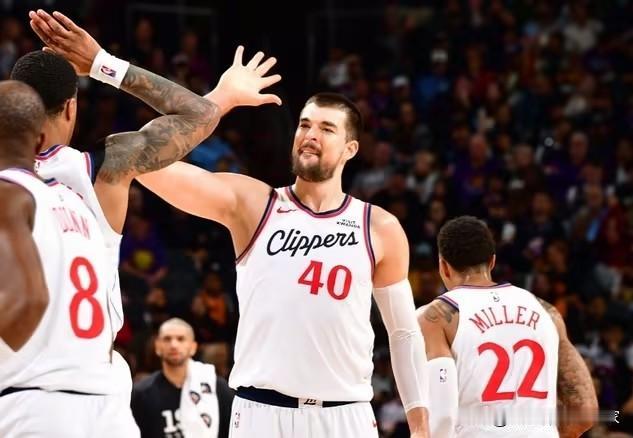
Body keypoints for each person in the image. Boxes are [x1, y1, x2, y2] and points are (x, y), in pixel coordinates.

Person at [13, 7, 280, 422]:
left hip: (17, 390)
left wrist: (224, 96)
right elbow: (199, 115)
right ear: (70, 109)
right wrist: (100, 62)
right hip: (98, 390)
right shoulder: (102, 168)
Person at [135, 92, 431, 437]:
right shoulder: (255, 205)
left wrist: (420, 426)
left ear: (350, 149)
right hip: (260, 412)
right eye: (305, 125)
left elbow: (404, 332)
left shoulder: (378, 227)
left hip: (344, 415)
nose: (311, 135)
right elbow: (140, 157)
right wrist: (219, 102)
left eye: (326, 128)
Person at [0, 80, 124, 436]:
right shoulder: (77, 204)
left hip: (33, 403)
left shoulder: (7, 195)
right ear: (40, 141)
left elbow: (28, 301)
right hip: (106, 402)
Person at [417, 216, 598, 437]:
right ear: (492, 261)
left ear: (443, 266)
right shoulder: (547, 311)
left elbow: (442, 415)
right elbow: (584, 411)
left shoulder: (435, 316)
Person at [132, 318, 234, 438]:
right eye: (167, 339)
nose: (174, 345)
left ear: (193, 347)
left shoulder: (216, 387)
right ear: (157, 347)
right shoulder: (141, 393)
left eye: (181, 339)